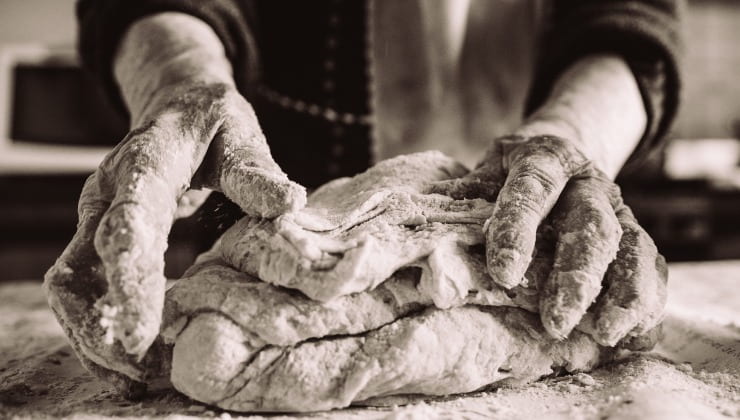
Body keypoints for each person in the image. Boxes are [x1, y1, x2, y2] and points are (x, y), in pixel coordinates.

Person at [45, 0, 682, 396]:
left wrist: (569, 136)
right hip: (271, 194)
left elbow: (629, 20)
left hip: (534, 209)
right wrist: (180, 82)